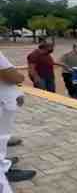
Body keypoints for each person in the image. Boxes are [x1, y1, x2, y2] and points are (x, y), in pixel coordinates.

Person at [0, 51, 36, 192]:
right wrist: (20, 77)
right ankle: (3, 169)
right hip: (2, 101)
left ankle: (4, 163)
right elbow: (10, 74)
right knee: (1, 137)